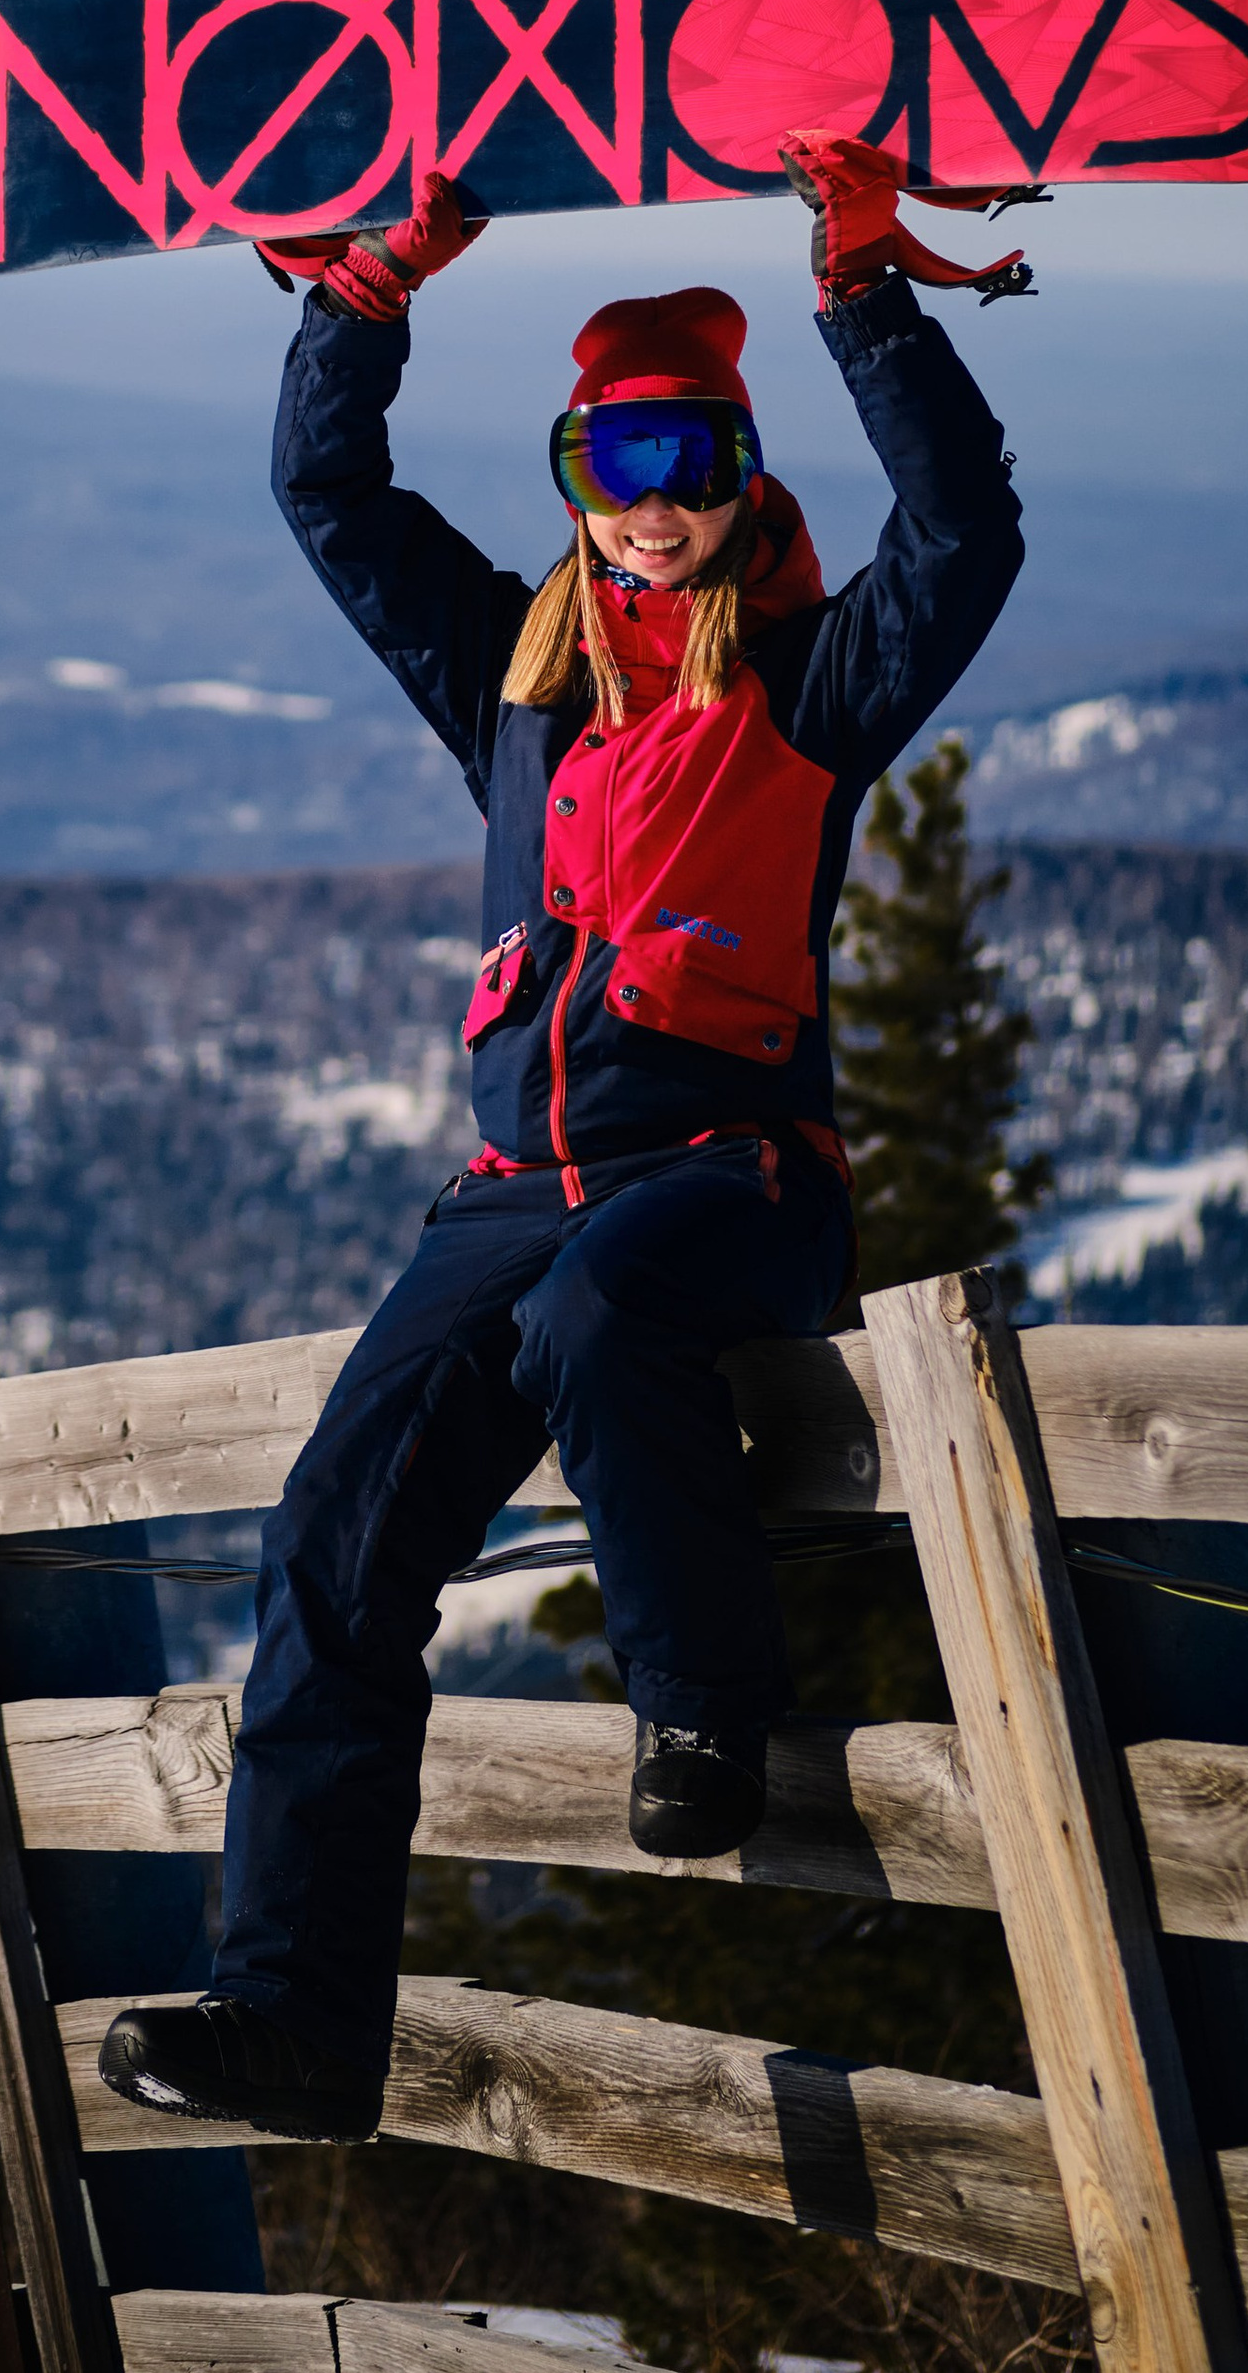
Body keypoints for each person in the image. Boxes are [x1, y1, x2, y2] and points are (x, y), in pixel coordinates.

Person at [99, 132, 1032, 2147]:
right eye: (618, 461)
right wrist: (365, 294)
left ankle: (699, 1712)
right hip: (508, 1198)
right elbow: (328, 495)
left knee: (606, 1311)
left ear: (742, 472)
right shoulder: (511, 688)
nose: (657, 503)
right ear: (574, 477)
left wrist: (863, 290)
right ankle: (293, 2020)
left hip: (729, 1178)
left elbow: (963, 533)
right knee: (331, 1542)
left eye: (692, 458)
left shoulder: (813, 685)